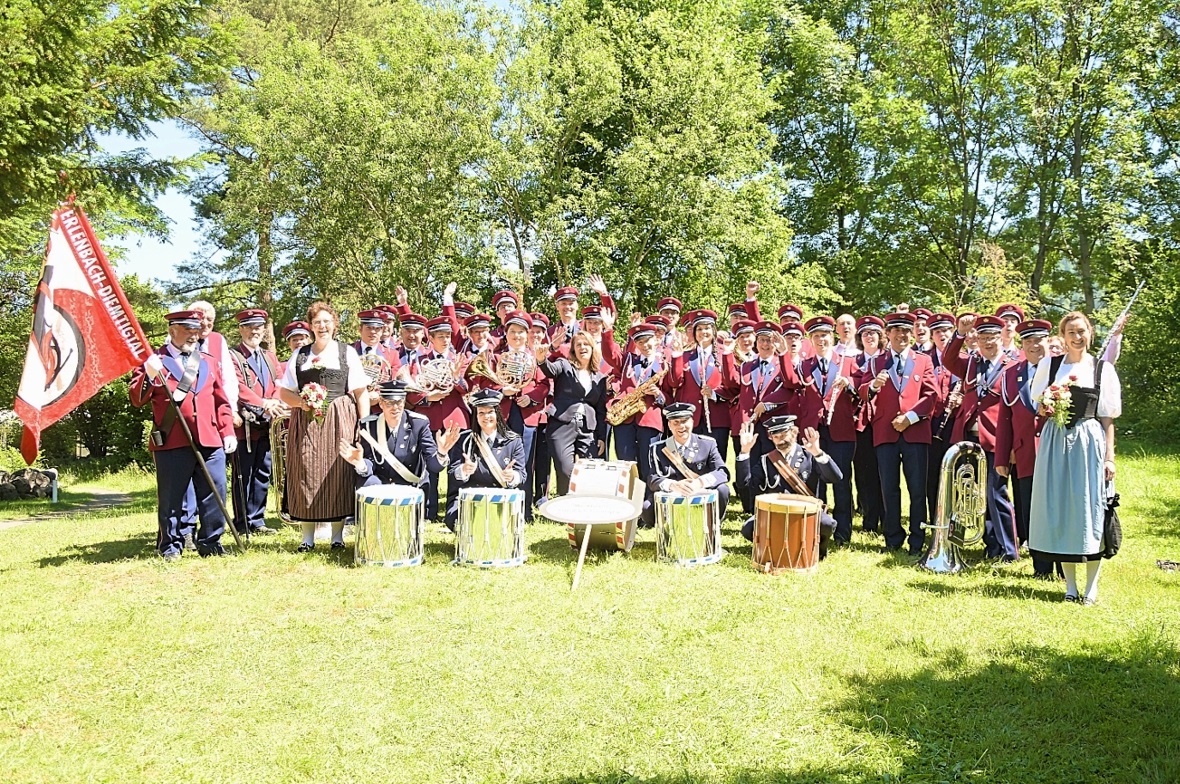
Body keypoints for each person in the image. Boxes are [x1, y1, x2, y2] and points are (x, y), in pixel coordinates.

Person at [1029, 312, 1121, 605]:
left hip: (1088, 441)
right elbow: (1038, 404)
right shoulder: (1049, 364)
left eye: (1081, 331)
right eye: (1071, 332)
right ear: (1063, 335)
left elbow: (1107, 419)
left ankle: (1091, 587)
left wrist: (1110, 458)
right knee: (1060, 509)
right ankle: (1070, 586)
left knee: (1088, 508)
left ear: (1090, 333)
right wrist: (1051, 403)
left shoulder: (1101, 369)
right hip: (1055, 441)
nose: (1076, 336)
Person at [129, 310, 235, 560]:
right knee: (172, 497)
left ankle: (211, 542)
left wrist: (227, 430)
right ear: (172, 330)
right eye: (188, 330)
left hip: (209, 438)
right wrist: (149, 374)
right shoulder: (154, 360)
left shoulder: (207, 361)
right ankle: (171, 545)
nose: (194, 336)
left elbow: (221, 402)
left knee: (215, 491)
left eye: (197, 331)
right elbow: (136, 398)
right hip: (173, 441)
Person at [276, 301, 370, 551]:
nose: (322, 326)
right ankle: (307, 538)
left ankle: (337, 536)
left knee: (338, 471)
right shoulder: (300, 355)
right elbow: (284, 393)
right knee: (305, 471)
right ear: (311, 326)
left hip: (341, 418)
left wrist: (365, 426)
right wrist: (302, 404)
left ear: (334, 324)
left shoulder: (346, 352)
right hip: (306, 422)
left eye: (327, 321)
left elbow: (361, 392)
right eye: (317, 322)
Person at [858, 312, 938, 554]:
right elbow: (861, 392)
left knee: (917, 489)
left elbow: (932, 394)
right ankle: (893, 538)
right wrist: (873, 386)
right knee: (889, 488)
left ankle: (917, 539)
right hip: (885, 433)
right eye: (897, 331)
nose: (902, 335)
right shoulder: (875, 362)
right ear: (888, 334)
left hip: (914, 433)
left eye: (906, 331)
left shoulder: (923, 360)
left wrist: (910, 417)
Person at [942, 314, 1020, 561]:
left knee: (996, 495)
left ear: (1001, 337)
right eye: (983, 338)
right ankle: (991, 546)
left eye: (992, 338)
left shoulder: (1012, 364)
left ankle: (1009, 550)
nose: (988, 343)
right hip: (969, 439)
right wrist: (960, 333)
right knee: (973, 495)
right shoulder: (972, 363)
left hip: (997, 439)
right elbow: (948, 359)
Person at [995, 319, 1058, 578]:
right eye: (1028, 340)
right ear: (1022, 344)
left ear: (1047, 340)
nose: (1034, 345)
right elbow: (1005, 418)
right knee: (1030, 510)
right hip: (1025, 453)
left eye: (1039, 339)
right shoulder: (1012, 372)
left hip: (1056, 451)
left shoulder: (1063, 368)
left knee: (1057, 507)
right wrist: (1001, 456)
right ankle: (1041, 568)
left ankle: (1064, 565)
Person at [735, 417, 840, 558]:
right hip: (775, 514)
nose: (780, 440)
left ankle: (815, 550)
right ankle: (773, 547)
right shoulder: (766, 460)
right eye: (776, 437)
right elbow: (745, 484)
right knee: (748, 529)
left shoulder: (809, 456)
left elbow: (835, 478)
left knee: (827, 524)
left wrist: (818, 453)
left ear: (794, 433)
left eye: (784, 435)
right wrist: (745, 452)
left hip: (804, 513)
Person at [796, 315, 858, 545]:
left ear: (832, 337)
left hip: (841, 430)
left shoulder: (848, 362)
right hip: (813, 432)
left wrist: (848, 383)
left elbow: (861, 390)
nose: (821, 340)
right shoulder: (803, 366)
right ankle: (818, 529)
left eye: (825, 335)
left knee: (841, 481)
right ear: (810, 340)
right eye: (816, 336)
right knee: (815, 482)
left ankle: (843, 534)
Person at [227, 309, 286, 536]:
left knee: (263, 472)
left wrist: (274, 401)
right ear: (241, 329)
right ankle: (242, 523)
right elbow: (238, 387)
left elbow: (280, 382)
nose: (254, 331)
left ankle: (258, 520)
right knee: (244, 474)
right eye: (249, 327)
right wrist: (264, 403)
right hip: (246, 425)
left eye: (258, 327)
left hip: (267, 423)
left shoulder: (270, 356)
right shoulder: (233, 356)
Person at [338, 380, 459, 489]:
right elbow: (371, 463)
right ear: (381, 403)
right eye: (389, 403)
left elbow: (434, 466)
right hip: (381, 483)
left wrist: (442, 452)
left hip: (410, 484)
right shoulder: (370, 426)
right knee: (369, 484)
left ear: (404, 402)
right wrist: (361, 464)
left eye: (399, 402)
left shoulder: (418, 424)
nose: (395, 408)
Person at [536, 330, 610, 496]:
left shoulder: (600, 377)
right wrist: (541, 360)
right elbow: (550, 370)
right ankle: (565, 503)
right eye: (578, 344)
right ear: (573, 349)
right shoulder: (564, 365)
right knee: (565, 469)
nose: (582, 347)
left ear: (592, 348)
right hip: (562, 426)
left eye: (586, 344)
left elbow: (600, 410)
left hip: (587, 429)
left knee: (589, 470)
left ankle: (585, 506)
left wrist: (601, 437)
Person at [446, 389, 527, 530]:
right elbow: (452, 474)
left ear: (498, 414)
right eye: (481, 413)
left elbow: (522, 475)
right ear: (476, 416)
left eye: (490, 412)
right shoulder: (465, 440)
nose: (486, 417)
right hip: (470, 498)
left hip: (501, 499)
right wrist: (463, 471)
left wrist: (512, 476)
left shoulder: (513, 441)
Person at [643, 403, 730, 527]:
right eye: (676, 422)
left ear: (692, 422)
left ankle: (712, 525)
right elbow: (652, 479)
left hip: (700, 493)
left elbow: (722, 472)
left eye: (685, 421)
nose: (681, 426)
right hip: (672, 496)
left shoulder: (707, 444)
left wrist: (700, 482)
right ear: (669, 425)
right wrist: (673, 485)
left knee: (723, 490)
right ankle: (669, 529)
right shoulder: (658, 448)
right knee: (647, 508)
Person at [669, 309, 739, 459]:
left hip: (717, 418)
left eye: (707, 328)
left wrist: (714, 394)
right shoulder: (685, 355)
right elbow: (675, 381)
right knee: (690, 460)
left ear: (713, 331)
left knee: (716, 462)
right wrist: (676, 356)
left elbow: (733, 386)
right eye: (699, 329)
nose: (703, 332)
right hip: (691, 419)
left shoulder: (724, 354)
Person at [612, 322, 673, 483]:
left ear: (656, 339)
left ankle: (649, 500)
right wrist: (607, 328)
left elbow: (671, 395)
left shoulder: (664, 365)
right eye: (640, 342)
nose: (645, 345)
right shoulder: (629, 360)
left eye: (648, 340)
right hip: (626, 419)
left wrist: (658, 394)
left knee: (649, 463)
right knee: (626, 463)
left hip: (650, 420)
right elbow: (609, 353)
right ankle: (630, 500)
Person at [852, 315, 885, 534]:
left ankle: (888, 518)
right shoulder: (853, 362)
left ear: (881, 337)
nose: (869, 337)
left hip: (885, 422)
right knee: (864, 473)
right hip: (861, 423)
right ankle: (869, 520)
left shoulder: (889, 359)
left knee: (886, 473)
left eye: (873, 333)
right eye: (864, 333)